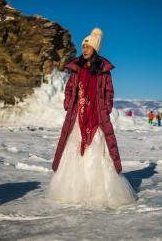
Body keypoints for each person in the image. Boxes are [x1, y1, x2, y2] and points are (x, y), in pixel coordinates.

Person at [48, 28, 136, 208]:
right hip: (78, 115)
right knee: (74, 150)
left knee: (96, 151)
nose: (84, 49)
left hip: (96, 116)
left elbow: (109, 92)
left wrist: (106, 107)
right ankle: (74, 191)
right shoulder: (77, 68)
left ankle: (97, 192)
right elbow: (70, 88)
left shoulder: (103, 70)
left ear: (95, 49)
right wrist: (67, 102)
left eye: (88, 46)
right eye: (83, 46)